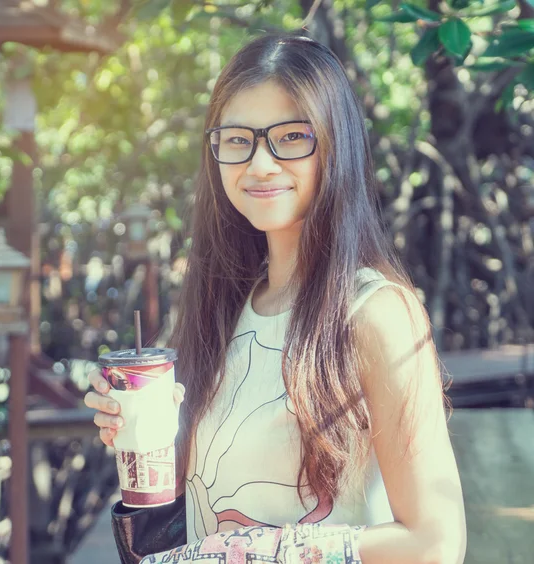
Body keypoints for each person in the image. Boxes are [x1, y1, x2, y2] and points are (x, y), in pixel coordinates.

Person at [85, 32, 467, 564]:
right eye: (238, 140)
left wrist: (257, 550)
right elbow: (210, 504)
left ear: (336, 144)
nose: (260, 164)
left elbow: (437, 544)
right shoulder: (222, 309)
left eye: (290, 137)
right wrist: (139, 439)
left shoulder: (376, 313)